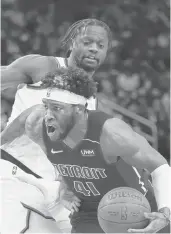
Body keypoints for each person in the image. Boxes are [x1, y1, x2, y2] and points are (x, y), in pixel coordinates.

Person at [1, 67, 170, 233]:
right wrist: (64, 185)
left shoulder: (110, 132)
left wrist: (165, 213)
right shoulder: (39, 125)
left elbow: (159, 166)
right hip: (87, 211)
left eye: (57, 108)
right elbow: (59, 158)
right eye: (46, 106)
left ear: (79, 109)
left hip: (136, 205)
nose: (48, 115)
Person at [1, 18, 112, 130]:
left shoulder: (95, 106)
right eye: (87, 42)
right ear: (72, 43)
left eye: (101, 46)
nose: (94, 49)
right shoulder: (42, 66)